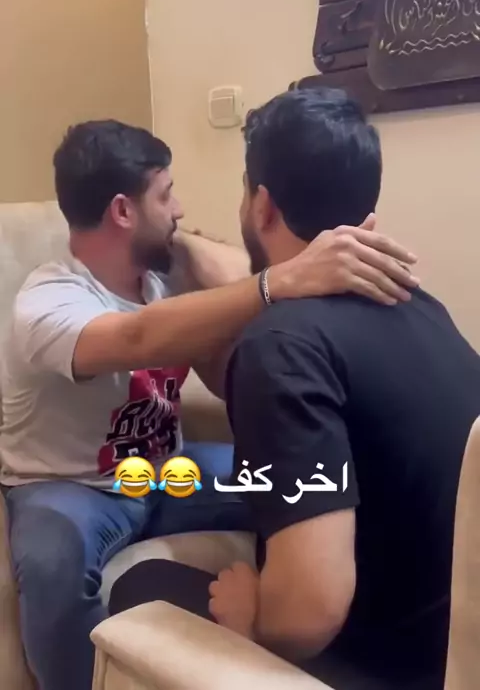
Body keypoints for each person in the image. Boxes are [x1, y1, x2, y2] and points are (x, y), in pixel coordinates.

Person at [0, 118, 417, 690]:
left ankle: (346, 641)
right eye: (165, 195)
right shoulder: (47, 301)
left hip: (169, 470)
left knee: (312, 487)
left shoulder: (164, 280)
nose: (179, 209)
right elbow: (135, 338)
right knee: (52, 563)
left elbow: (225, 377)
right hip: (70, 486)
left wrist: (186, 245)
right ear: (123, 211)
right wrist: (279, 280)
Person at [110, 90, 480, 690]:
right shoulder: (417, 304)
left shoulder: (282, 347)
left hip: (386, 668)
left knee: (140, 586)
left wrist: (254, 615)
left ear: (262, 205)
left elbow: (310, 612)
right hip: (456, 645)